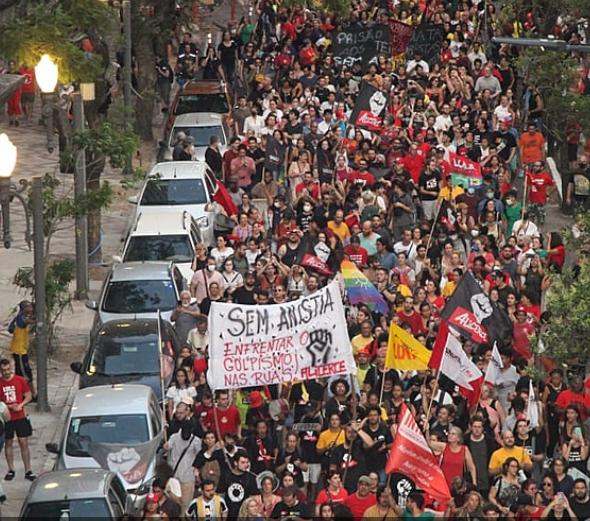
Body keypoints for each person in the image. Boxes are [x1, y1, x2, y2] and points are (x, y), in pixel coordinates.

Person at [0, 358, 35, 482]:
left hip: (20, 415)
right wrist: (9, 407)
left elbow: (28, 395)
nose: (6, 372)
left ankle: (28, 470)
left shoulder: (19, 380)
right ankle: (11, 469)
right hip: (7, 418)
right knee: (8, 442)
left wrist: (20, 405)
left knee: (23, 442)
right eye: (3, 370)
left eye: (8, 369)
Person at [166, 420, 202, 514]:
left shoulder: (196, 441)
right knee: (172, 505)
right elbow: (167, 446)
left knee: (185, 506)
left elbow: (199, 455)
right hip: (173, 477)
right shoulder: (174, 437)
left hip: (188, 478)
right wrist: (165, 446)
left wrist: (197, 472)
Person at [8, 300, 36, 400]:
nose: (31, 309)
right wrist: (37, 320)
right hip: (19, 351)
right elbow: (25, 322)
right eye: (29, 307)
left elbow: (10, 329)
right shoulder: (20, 319)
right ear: (24, 309)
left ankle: (25, 394)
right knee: (25, 374)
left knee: (21, 374)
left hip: (21, 350)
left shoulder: (19, 317)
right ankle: (30, 395)